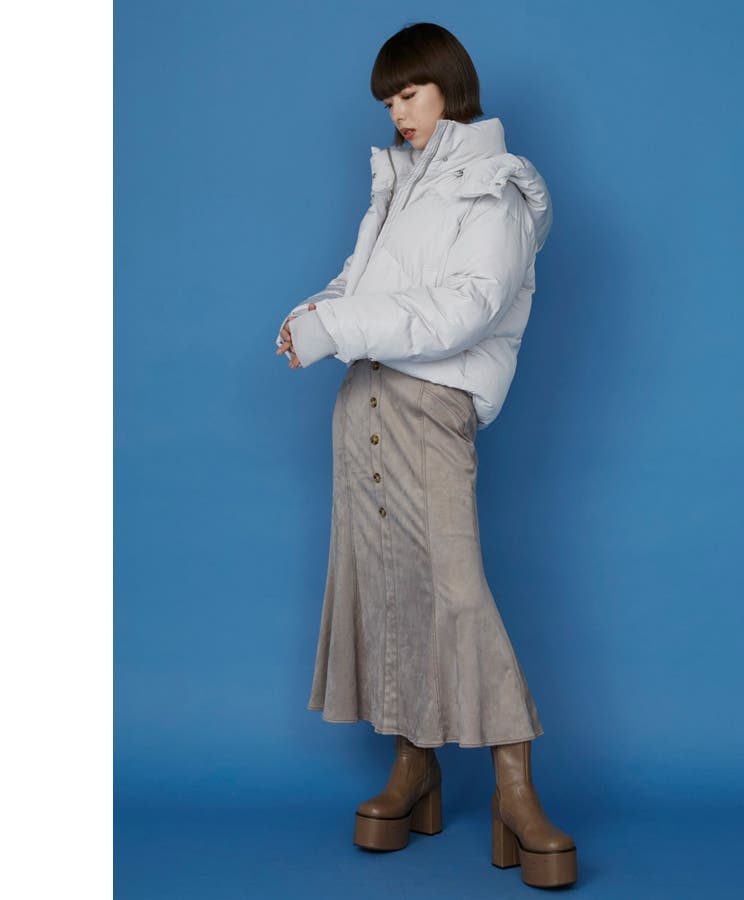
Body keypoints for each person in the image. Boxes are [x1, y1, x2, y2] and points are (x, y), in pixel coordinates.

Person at [274, 22, 577, 889]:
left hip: (430, 409)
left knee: (455, 592)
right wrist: (308, 316)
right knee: (386, 589)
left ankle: (517, 793)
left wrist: (339, 327)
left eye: (409, 94)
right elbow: (360, 285)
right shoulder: (399, 184)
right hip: (362, 404)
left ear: (450, 86)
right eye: (388, 102)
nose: (398, 113)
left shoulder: (495, 189)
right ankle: (415, 770)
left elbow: (463, 311)